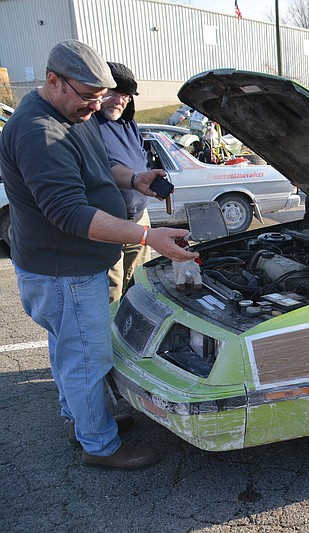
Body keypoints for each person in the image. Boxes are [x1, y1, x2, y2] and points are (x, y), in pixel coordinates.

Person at [0, 40, 198, 469]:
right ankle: (100, 446)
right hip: (62, 271)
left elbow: (97, 166)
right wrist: (148, 237)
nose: (95, 105)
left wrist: (135, 179)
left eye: (99, 96)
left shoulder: (74, 114)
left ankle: (80, 419)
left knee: (69, 351)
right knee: (88, 358)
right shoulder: (39, 132)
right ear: (53, 81)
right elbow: (69, 213)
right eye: (88, 96)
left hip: (68, 267)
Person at [97, 61, 149, 302]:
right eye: (114, 93)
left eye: (126, 95)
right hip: (109, 223)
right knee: (111, 289)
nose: (120, 100)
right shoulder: (89, 124)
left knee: (139, 283)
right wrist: (135, 178)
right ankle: (109, 338)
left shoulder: (128, 124)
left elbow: (140, 155)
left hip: (139, 218)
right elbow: (102, 169)